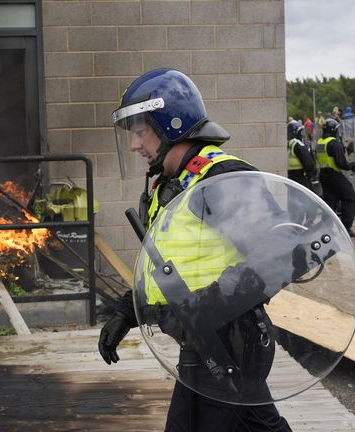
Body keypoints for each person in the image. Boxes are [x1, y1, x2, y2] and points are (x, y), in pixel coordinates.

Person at [98, 68, 292, 432]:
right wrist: (128, 311)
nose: (134, 145)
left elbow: (281, 252)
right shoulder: (176, 186)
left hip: (228, 339)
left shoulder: (220, 180)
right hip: (205, 341)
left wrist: (213, 303)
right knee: (258, 425)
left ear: (171, 125)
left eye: (140, 132)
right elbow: (175, 264)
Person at [315, 118, 355, 238]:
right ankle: (346, 227)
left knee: (330, 202)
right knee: (350, 197)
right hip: (334, 175)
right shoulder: (334, 143)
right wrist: (351, 166)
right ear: (334, 130)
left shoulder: (320, 142)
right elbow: (341, 163)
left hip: (323, 175)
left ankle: (326, 227)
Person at [287, 119, 320, 193]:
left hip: (290, 178)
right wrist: (313, 173)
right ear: (295, 132)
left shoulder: (286, 144)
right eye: (300, 132)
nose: (301, 134)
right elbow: (309, 164)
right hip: (301, 178)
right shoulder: (297, 144)